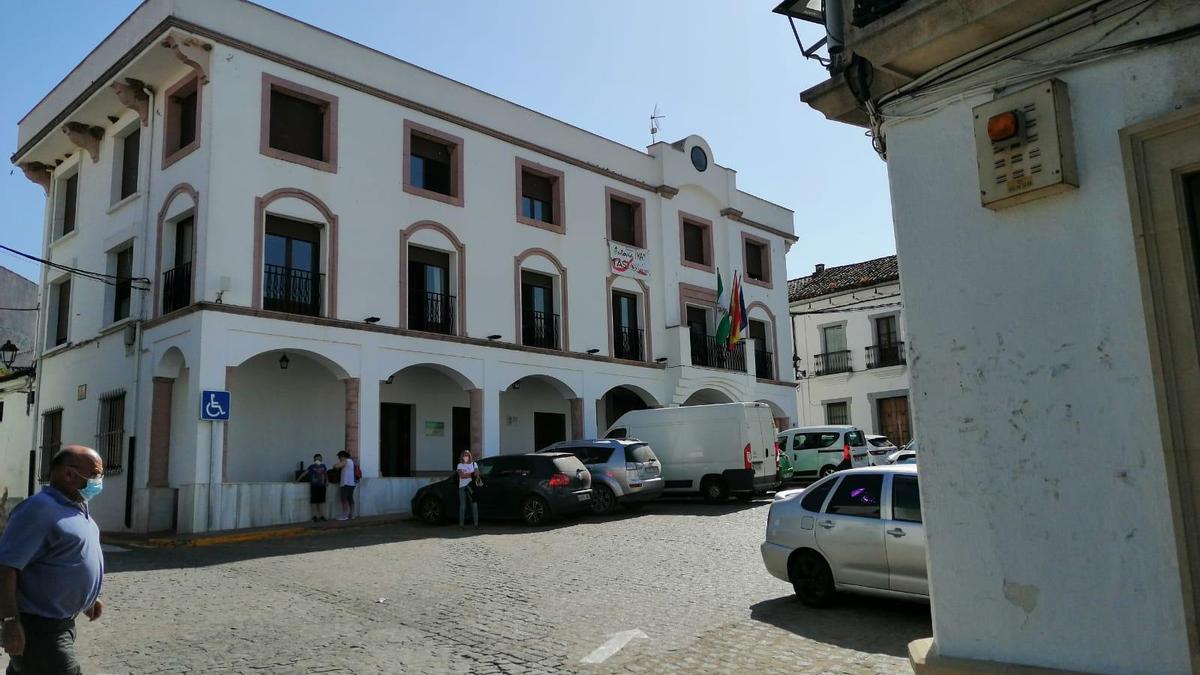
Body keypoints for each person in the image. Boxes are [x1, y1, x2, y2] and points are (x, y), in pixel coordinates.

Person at [0, 445, 106, 675]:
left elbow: (66, 557)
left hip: (62, 624)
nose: (99, 481)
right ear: (69, 474)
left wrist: (85, 599)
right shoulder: (38, 509)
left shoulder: (76, 507)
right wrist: (9, 621)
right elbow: (6, 567)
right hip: (40, 630)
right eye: (96, 474)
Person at [296, 454, 329, 522]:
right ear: (314, 460)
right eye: (316, 459)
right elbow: (304, 473)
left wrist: (327, 481)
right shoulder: (311, 467)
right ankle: (314, 516)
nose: (318, 461)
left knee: (321, 502)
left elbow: (325, 474)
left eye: (319, 459)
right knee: (314, 502)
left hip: (322, 486)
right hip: (314, 486)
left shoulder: (323, 466)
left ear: (321, 459)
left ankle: (321, 516)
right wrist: (298, 480)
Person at [456, 450, 482, 529]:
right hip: (462, 487)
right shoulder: (459, 465)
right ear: (462, 456)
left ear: (470, 456)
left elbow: (477, 474)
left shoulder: (474, 464)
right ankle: (461, 525)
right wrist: (471, 474)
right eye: (464, 455)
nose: (466, 457)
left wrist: (467, 474)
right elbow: (461, 475)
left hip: (472, 486)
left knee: (474, 505)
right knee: (462, 506)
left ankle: (476, 525)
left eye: (467, 455)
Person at [332, 451, 356, 521]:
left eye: (339, 457)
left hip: (346, 483)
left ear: (342, 456)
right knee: (350, 499)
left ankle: (345, 515)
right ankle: (352, 514)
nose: (339, 459)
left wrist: (335, 465)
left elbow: (336, 466)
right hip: (351, 483)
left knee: (344, 499)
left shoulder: (346, 461)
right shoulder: (351, 461)